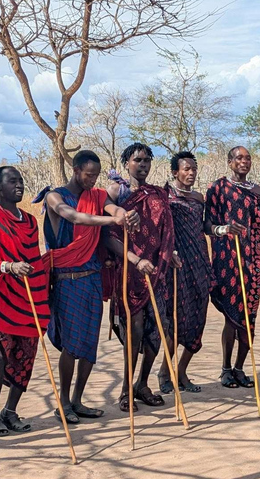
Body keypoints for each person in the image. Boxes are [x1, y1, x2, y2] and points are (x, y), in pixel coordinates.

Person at [35, 150, 136, 424]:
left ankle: (78, 400)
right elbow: (74, 217)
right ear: (76, 170)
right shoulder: (54, 196)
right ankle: (63, 402)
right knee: (71, 344)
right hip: (67, 280)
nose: (92, 180)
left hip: (92, 277)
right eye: (88, 175)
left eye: (95, 175)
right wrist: (111, 220)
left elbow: (113, 208)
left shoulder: (98, 195)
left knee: (89, 343)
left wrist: (122, 213)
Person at [0, 166, 48, 436]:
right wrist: (8, 266)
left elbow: (34, 257)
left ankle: (10, 411)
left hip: (29, 296)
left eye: (20, 181)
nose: (18, 185)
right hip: (0, 296)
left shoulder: (29, 221)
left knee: (27, 355)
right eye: (11, 181)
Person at [105, 143, 180, 412]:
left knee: (157, 332)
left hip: (156, 271)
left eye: (147, 160)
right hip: (129, 271)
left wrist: (169, 253)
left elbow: (166, 231)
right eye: (137, 160)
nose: (143, 165)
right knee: (134, 333)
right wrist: (135, 260)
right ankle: (126, 389)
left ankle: (143, 384)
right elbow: (109, 237)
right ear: (126, 163)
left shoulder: (158, 193)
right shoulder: (116, 193)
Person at [206, 146, 260, 389]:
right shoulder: (217, 188)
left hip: (251, 261)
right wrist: (225, 229)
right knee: (231, 317)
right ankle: (226, 369)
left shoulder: (257, 192)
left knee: (249, 318)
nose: (244, 161)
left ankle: (240, 368)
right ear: (229, 162)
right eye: (239, 157)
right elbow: (207, 225)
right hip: (226, 259)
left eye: (248, 158)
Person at [157, 151, 214, 393]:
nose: (191, 173)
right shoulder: (164, 196)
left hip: (200, 262)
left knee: (198, 318)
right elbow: (158, 228)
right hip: (177, 265)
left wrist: (222, 229)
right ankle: (164, 371)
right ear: (174, 172)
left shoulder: (199, 198)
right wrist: (168, 252)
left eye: (193, 169)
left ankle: (181, 371)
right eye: (186, 169)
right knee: (177, 321)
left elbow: (204, 227)